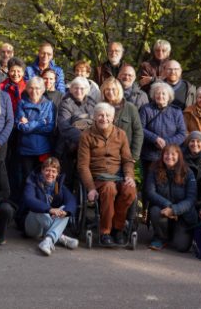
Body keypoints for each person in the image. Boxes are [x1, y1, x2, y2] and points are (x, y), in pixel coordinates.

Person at [77, 103, 137, 247]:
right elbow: (83, 165)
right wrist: (91, 188)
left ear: (113, 118)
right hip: (98, 178)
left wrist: (129, 176)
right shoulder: (87, 135)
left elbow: (128, 160)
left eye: (107, 115)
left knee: (130, 190)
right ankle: (105, 232)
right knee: (109, 188)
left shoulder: (120, 134)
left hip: (118, 176)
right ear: (95, 117)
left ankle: (118, 229)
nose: (104, 118)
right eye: (100, 115)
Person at [19, 157, 78, 255]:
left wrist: (66, 212)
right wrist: (49, 209)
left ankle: (48, 240)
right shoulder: (32, 181)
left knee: (64, 210)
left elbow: (71, 200)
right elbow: (29, 199)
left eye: (53, 171)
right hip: (32, 227)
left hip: (47, 224)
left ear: (57, 173)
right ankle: (61, 237)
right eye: (47, 170)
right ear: (42, 170)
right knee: (37, 209)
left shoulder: (59, 185)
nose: (50, 174)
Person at [145, 144, 198, 252]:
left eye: (173, 154)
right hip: (163, 211)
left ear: (179, 156)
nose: (169, 157)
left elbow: (191, 199)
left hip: (183, 216)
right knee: (155, 210)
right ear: (162, 155)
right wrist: (169, 207)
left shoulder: (188, 172)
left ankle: (174, 234)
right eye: (166, 154)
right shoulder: (154, 169)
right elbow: (150, 192)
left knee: (181, 247)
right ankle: (160, 237)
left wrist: (175, 210)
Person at [15, 76, 56, 185]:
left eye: (37, 88)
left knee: (43, 179)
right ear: (27, 89)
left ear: (43, 89)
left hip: (43, 149)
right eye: (31, 88)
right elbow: (21, 127)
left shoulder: (49, 104)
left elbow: (50, 127)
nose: (34, 91)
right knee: (28, 179)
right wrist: (41, 122)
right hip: (26, 149)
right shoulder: (22, 103)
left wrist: (29, 124)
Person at [139, 82, 187, 174]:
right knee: (149, 183)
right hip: (150, 155)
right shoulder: (146, 109)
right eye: (157, 93)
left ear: (169, 96)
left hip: (171, 156)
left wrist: (166, 143)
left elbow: (182, 134)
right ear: (153, 95)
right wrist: (155, 138)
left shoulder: (176, 112)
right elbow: (140, 128)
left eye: (163, 93)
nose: (160, 96)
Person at [56, 77, 96, 183]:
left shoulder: (92, 103)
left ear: (87, 89)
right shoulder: (66, 103)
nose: (79, 91)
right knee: (67, 180)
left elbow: (96, 123)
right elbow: (64, 127)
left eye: (82, 88)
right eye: (76, 88)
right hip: (68, 147)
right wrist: (85, 139)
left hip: (89, 148)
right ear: (71, 89)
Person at [100, 77, 144, 162]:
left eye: (113, 89)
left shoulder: (130, 108)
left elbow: (138, 132)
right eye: (107, 89)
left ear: (119, 90)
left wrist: (134, 156)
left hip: (126, 155)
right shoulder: (99, 107)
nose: (110, 92)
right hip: (104, 156)